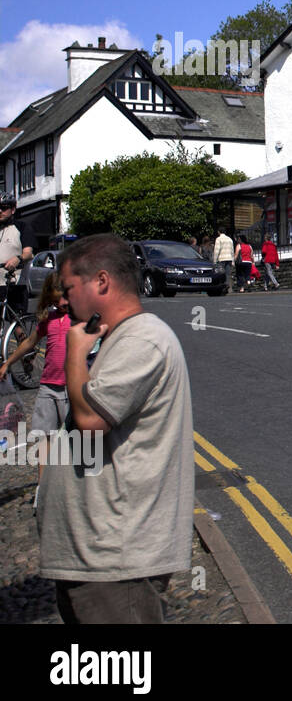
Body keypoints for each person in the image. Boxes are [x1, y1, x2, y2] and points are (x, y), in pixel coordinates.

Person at [42, 233, 194, 623]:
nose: (63, 300)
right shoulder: (118, 339)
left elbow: (91, 422)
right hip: (95, 558)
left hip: (117, 562)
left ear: (102, 282)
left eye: (70, 287)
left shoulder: (143, 339)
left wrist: (75, 352)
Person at [0, 272, 71, 482]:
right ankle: (43, 486)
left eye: (65, 298)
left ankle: (71, 485)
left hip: (70, 388)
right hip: (48, 385)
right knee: (43, 437)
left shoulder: (78, 319)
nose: (63, 304)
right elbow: (29, 342)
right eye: (57, 301)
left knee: (72, 439)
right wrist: (8, 362)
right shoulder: (49, 319)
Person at [1, 192, 34, 313]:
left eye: (4, 208)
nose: (0, 211)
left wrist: (18, 259)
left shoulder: (22, 227)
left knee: (18, 326)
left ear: (13, 209)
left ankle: (23, 332)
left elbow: (28, 253)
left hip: (15, 283)